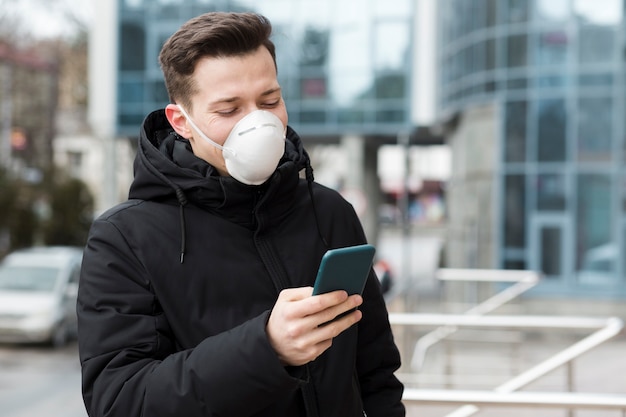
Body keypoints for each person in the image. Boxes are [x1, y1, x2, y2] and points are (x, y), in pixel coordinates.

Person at [77, 11, 405, 417]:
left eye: (270, 101)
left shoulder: (329, 212)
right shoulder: (124, 239)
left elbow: (377, 373)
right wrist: (265, 349)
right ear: (182, 122)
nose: (259, 124)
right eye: (229, 110)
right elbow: (119, 400)